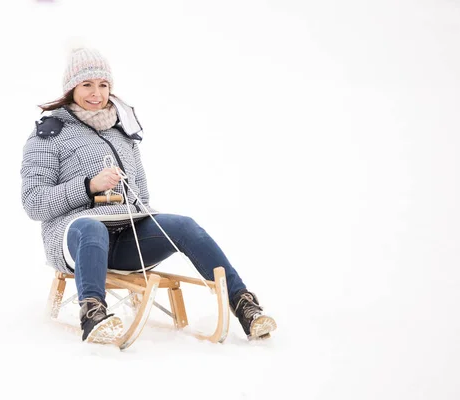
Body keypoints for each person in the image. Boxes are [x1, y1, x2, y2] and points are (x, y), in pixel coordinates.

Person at [21, 47, 276, 344]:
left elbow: (141, 192)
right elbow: (34, 202)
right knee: (91, 227)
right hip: (75, 237)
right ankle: (93, 312)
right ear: (71, 89)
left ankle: (243, 303)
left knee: (184, 225)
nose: (96, 93)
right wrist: (89, 185)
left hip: (125, 237)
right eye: (87, 85)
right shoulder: (49, 134)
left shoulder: (122, 131)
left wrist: (137, 211)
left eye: (103, 85)